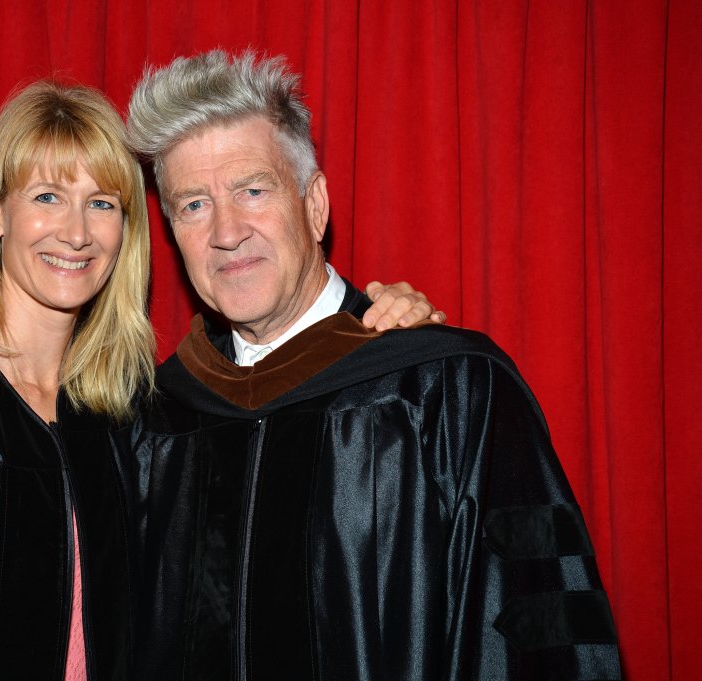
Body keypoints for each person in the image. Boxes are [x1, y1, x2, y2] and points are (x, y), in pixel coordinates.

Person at [0, 80, 441, 681]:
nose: (76, 232)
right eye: (48, 195)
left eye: (104, 204)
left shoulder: (141, 422)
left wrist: (374, 320)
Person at [125, 50, 621, 680]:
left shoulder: (448, 392)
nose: (226, 231)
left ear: (314, 203)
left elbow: (542, 634)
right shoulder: (158, 423)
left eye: (253, 190)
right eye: (192, 205)